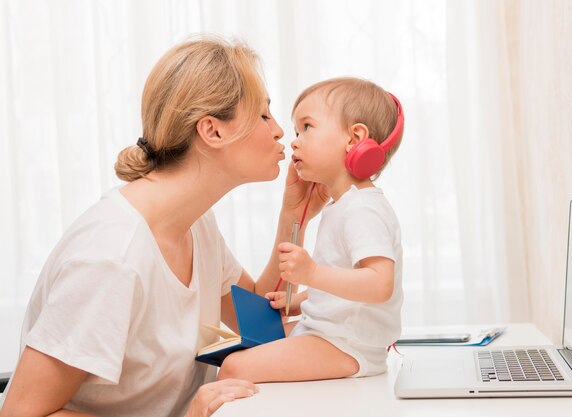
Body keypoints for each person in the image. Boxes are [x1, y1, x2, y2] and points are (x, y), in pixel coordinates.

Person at [0, 37, 329, 417]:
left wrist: (294, 217)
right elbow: (21, 414)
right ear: (212, 131)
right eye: (263, 115)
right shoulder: (112, 256)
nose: (279, 132)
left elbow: (259, 324)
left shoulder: (196, 223)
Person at [218, 77, 404, 382]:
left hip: (346, 345)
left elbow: (380, 284)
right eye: (296, 130)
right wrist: (301, 299)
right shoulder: (342, 205)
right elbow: (346, 283)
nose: (294, 140)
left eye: (307, 127)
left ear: (355, 138)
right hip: (328, 334)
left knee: (234, 367)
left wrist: (311, 274)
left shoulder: (363, 209)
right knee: (239, 351)